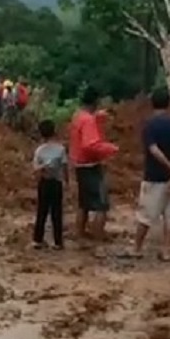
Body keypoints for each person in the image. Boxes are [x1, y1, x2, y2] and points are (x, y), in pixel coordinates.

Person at [131, 88, 170, 261]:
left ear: (152, 104)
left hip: (154, 177)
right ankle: (167, 251)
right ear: (168, 104)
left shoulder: (150, 126)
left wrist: (168, 166)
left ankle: (137, 249)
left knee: (145, 215)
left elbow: (153, 150)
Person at [68, 86, 118, 241]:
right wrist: (111, 149)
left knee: (84, 203)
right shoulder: (88, 120)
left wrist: (99, 116)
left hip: (79, 165)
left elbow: (88, 122)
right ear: (95, 101)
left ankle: (80, 234)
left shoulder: (79, 116)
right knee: (102, 205)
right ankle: (98, 238)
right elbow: (90, 145)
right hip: (91, 166)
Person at [31, 119, 67, 251]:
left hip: (44, 183)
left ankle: (37, 240)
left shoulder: (39, 151)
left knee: (42, 211)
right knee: (56, 213)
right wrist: (66, 182)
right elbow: (64, 168)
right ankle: (58, 242)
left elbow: (35, 169)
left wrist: (42, 170)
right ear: (54, 132)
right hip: (56, 183)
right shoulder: (61, 149)